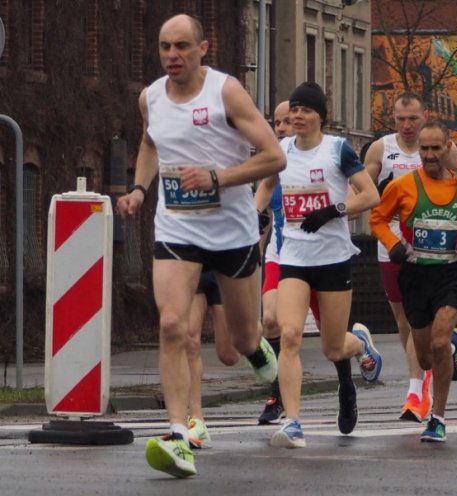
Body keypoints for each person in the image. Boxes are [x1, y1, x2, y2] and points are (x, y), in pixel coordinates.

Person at [116, 14, 284, 478]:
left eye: (182, 47)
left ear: (203, 48)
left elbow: (275, 156)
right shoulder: (149, 97)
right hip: (177, 229)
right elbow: (151, 144)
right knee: (172, 324)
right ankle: (178, 435)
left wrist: (219, 177)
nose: (173, 55)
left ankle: (257, 351)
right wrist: (139, 189)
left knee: (243, 337)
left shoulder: (225, 92)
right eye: (165, 47)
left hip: (232, 232)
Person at [256, 82, 382, 447]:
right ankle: (293, 421)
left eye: (305, 110)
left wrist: (334, 209)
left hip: (333, 259)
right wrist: (254, 214)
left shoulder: (336, 150)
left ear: (320, 117)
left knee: (331, 348)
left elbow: (370, 195)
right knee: (290, 334)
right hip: (294, 258)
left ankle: (358, 344)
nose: (297, 115)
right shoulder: (280, 151)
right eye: (293, 109)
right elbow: (266, 186)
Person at [370, 121, 457, 442]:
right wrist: (393, 245)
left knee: (439, 342)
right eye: (424, 149)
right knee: (425, 357)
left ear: (448, 147)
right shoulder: (403, 186)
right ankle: (447, 353)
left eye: (435, 148)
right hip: (416, 274)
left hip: (452, 274)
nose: (429, 155)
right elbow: (378, 218)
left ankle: (438, 417)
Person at [361, 93, 457, 422]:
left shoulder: (442, 149)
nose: (406, 126)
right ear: (392, 120)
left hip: (436, 247)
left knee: (412, 318)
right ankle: (442, 349)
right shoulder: (381, 149)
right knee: (403, 320)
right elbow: (362, 191)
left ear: (425, 117)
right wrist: (383, 193)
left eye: (413, 119)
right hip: (393, 245)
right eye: (400, 119)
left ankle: (416, 392)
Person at [253, 100, 323, 425]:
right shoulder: (273, 158)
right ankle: (277, 395)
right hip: (280, 254)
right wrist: (254, 222)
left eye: (285, 122)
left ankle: (359, 347)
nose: (280, 127)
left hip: (316, 255)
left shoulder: (315, 156)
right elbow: (264, 198)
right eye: (276, 122)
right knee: (270, 321)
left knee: (333, 341)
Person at [183, 269, 241, 447]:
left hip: (224, 261)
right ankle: (196, 419)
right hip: (193, 260)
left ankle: (252, 336)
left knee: (229, 355)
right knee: (190, 339)